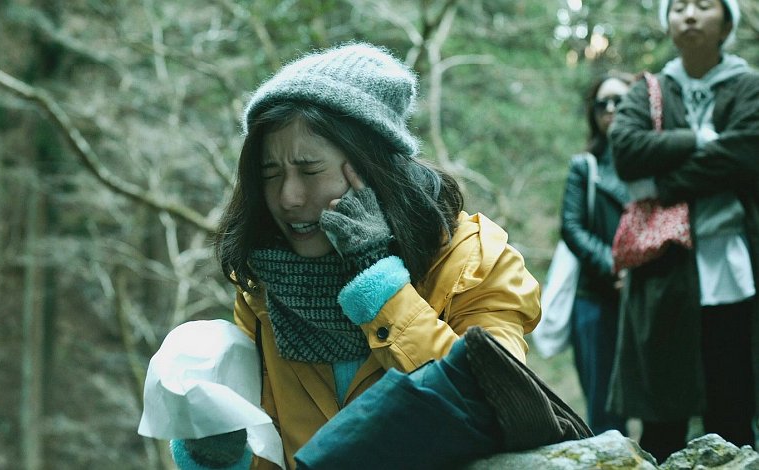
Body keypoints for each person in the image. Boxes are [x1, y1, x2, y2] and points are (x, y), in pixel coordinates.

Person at [167, 42, 587, 470]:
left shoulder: (477, 264)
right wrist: (224, 455)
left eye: (310, 170)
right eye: (270, 173)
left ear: (371, 169)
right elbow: (277, 454)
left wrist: (380, 285)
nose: (288, 197)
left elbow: (493, 405)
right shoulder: (264, 289)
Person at [608, 0, 758, 462]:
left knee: (734, 407)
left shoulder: (748, 86)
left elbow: (745, 154)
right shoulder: (648, 90)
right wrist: (698, 139)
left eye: (704, 5)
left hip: (735, 261)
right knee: (662, 415)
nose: (689, 14)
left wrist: (661, 184)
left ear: (727, 22)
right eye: (678, 7)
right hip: (665, 269)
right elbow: (625, 148)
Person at [560, 72, 633, 435]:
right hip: (595, 300)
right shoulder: (584, 167)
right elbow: (571, 227)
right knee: (604, 411)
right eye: (603, 103)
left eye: (620, 101)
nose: (611, 109)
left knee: (659, 409)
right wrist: (614, 266)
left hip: (645, 300)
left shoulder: (652, 165)